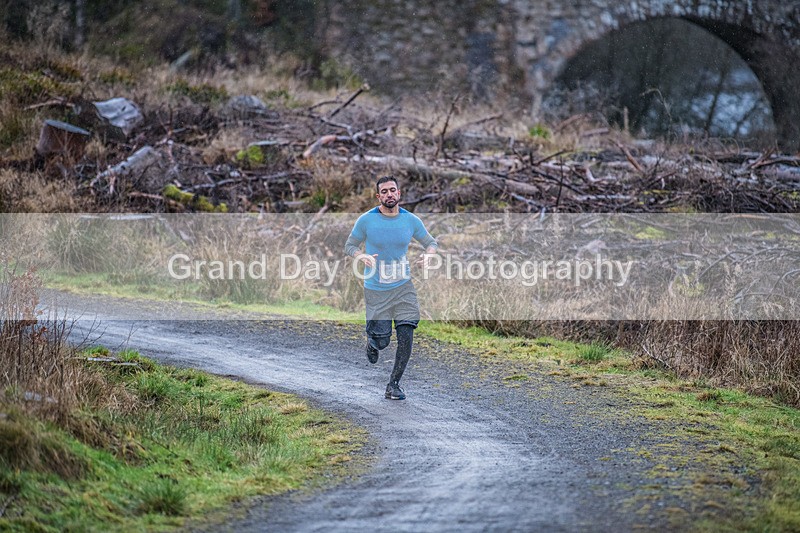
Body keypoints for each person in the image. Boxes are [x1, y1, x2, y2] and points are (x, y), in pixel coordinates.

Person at [345, 176, 438, 400]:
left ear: (399, 193)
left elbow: (431, 243)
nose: (389, 194)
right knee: (383, 340)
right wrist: (361, 255)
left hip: (403, 286)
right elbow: (349, 245)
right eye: (384, 191)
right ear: (379, 196)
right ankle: (373, 342)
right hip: (376, 288)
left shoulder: (411, 220)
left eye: (392, 190)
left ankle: (393, 384)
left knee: (407, 332)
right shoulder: (366, 220)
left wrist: (428, 256)